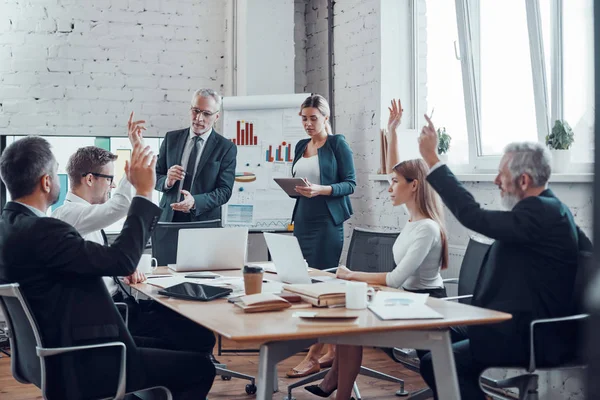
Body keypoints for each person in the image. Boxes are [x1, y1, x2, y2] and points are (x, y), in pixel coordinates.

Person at [0, 137, 215, 399]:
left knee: (183, 344)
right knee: (200, 367)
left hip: (57, 351)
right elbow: (121, 260)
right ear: (46, 181)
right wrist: (144, 192)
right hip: (88, 359)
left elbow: (103, 264)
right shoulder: (44, 231)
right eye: (55, 172)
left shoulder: (9, 227)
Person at [415, 114, 592, 399]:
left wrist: (433, 160)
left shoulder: (543, 213)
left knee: (436, 361)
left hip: (531, 336)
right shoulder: (549, 210)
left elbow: (474, 216)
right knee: (432, 338)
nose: (496, 180)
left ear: (523, 179)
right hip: (508, 325)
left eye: (502, 174)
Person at [304, 100, 448, 399]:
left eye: (395, 184)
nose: (389, 187)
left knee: (352, 324)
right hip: (405, 299)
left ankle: (339, 391)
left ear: (414, 186)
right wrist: (392, 132)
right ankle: (335, 383)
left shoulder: (427, 228)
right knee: (347, 319)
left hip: (425, 306)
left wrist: (352, 275)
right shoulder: (412, 218)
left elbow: (396, 280)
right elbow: (398, 172)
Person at [51, 113, 217, 358]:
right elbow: (119, 207)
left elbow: (92, 260)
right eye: (110, 179)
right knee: (195, 336)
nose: (113, 185)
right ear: (89, 179)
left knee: (192, 329)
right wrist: (137, 167)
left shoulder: (86, 215)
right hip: (110, 315)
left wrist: (120, 269)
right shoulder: (69, 215)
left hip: (116, 307)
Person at [286, 94, 356, 378]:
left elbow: (350, 184)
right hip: (302, 220)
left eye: (313, 118)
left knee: (322, 288)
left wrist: (320, 189)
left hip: (327, 222)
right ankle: (331, 350)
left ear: (326, 118)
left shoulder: (338, 144)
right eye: (304, 118)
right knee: (302, 283)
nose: (308, 124)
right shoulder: (301, 146)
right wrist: (296, 188)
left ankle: (314, 356)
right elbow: (298, 180)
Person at [155, 88, 236, 223]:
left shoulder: (226, 148)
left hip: (203, 220)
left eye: (206, 113)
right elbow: (155, 176)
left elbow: (224, 191)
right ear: (190, 109)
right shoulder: (171, 139)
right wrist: (167, 181)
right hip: (168, 217)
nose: (199, 118)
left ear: (216, 117)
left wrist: (195, 202)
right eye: (196, 111)